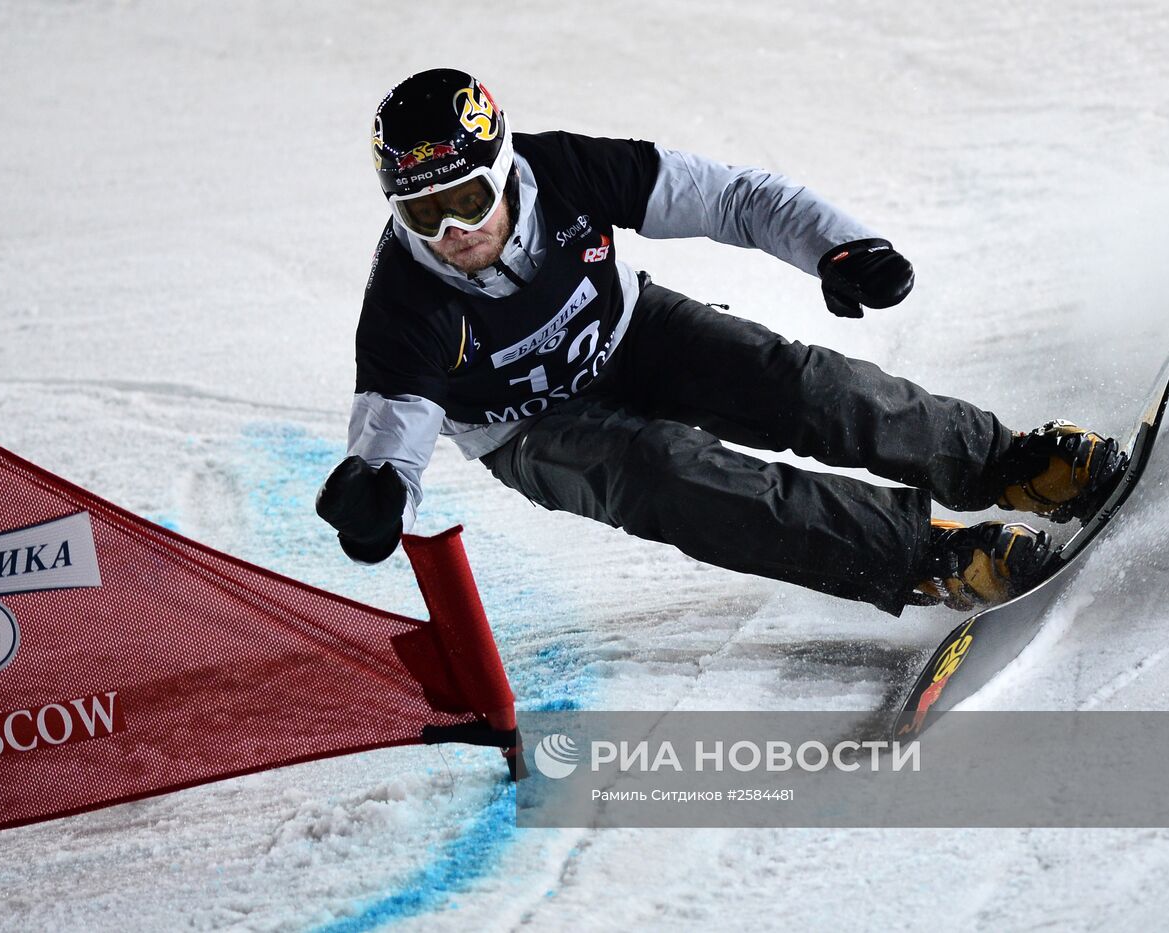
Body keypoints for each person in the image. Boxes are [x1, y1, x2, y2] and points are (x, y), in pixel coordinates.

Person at [315, 67, 1126, 615]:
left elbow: (731, 197)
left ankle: (1005, 463)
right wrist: (377, 504)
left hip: (634, 333)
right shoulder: (405, 305)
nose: (451, 231)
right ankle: (927, 556)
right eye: (423, 214)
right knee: (667, 475)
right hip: (529, 429)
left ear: (503, 166)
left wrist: (836, 247)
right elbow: (393, 434)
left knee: (799, 384)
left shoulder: (568, 172)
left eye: (465, 198)